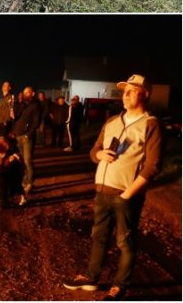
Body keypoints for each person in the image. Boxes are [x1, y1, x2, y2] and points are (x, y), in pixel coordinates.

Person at [63, 75, 162, 301]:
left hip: (126, 195)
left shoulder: (151, 124)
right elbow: (93, 151)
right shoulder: (111, 122)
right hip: (103, 190)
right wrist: (99, 154)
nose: (125, 94)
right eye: (124, 90)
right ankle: (91, 278)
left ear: (145, 94)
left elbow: (153, 167)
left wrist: (128, 194)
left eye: (131, 90)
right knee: (98, 236)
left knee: (124, 242)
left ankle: (120, 286)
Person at [10, 86, 40, 204]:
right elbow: (18, 119)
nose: (25, 94)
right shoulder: (22, 104)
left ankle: (30, 183)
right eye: (24, 92)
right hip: (18, 135)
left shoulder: (35, 105)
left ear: (32, 93)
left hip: (27, 137)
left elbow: (36, 122)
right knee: (22, 160)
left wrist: (29, 134)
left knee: (28, 160)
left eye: (27, 92)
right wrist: (13, 115)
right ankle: (25, 180)